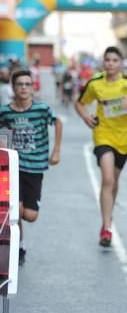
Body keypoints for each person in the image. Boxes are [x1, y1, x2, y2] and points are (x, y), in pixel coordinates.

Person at [75, 46, 127, 247]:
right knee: (108, 179)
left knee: (114, 181)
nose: (110, 63)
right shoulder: (95, 84)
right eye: (107, 60)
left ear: (120, 63)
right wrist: (86, 117)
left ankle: (109, 216)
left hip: (124, 140)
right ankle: (106, 226)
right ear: (103, 62)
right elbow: (80, 103)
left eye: (114, 60)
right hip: (103, 136)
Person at [0, 70, 63, 264]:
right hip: (13, 167)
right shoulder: (5, 111)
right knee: (14, 209)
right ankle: (19, 245)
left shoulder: (41, 109)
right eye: (20, 84)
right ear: (13, 87)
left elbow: (58, 122)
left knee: (30, 215)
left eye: (28, 84)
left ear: (32, 87)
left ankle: (28, 216)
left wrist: (57, 150)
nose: (24, 88)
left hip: (35, 167)